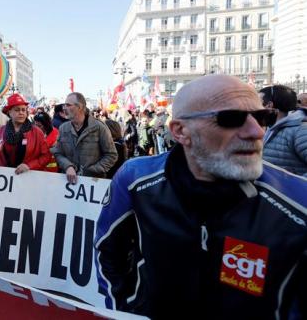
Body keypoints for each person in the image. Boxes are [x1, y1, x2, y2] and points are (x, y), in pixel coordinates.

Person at [95, 75, 306, 319]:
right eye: (231, 119)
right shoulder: (134, 179)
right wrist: (123, 311)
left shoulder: (298, 204)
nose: (256, 131)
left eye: (262, 118)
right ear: (180, 131)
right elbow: (108, 251)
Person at [51, 92, 117, 184]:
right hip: (68, 184)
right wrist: (68, 166)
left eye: (68, 105)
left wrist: (92, 171)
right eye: (64, 105)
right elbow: (57, 152)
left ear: (80, 107)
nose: (64, 108)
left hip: (93, 183)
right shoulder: (63, 128)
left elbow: (111, 155)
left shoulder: (99, 127)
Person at [0, 93, 51, 174]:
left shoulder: (37, 132)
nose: (21, 112)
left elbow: (46, 156)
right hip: (5, 179)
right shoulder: (0, 132)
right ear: (9, 112)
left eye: (23, 110)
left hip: (28, 178)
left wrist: (29, 166)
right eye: (17, 110)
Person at [259, 85, 307, 176]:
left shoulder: (300, 130)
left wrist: (291, 183)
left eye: (258, 103)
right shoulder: (270, 128)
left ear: (269, 105)